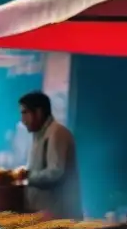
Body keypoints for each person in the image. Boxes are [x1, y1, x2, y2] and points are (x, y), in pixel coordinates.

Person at [14, 91, 82, 219]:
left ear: (38, 113)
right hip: (43, 216)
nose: (23, 121)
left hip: (58, 217)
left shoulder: (57, 133)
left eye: (25, 113)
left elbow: (55, 172)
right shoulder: (39, 135)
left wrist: (27, 177)